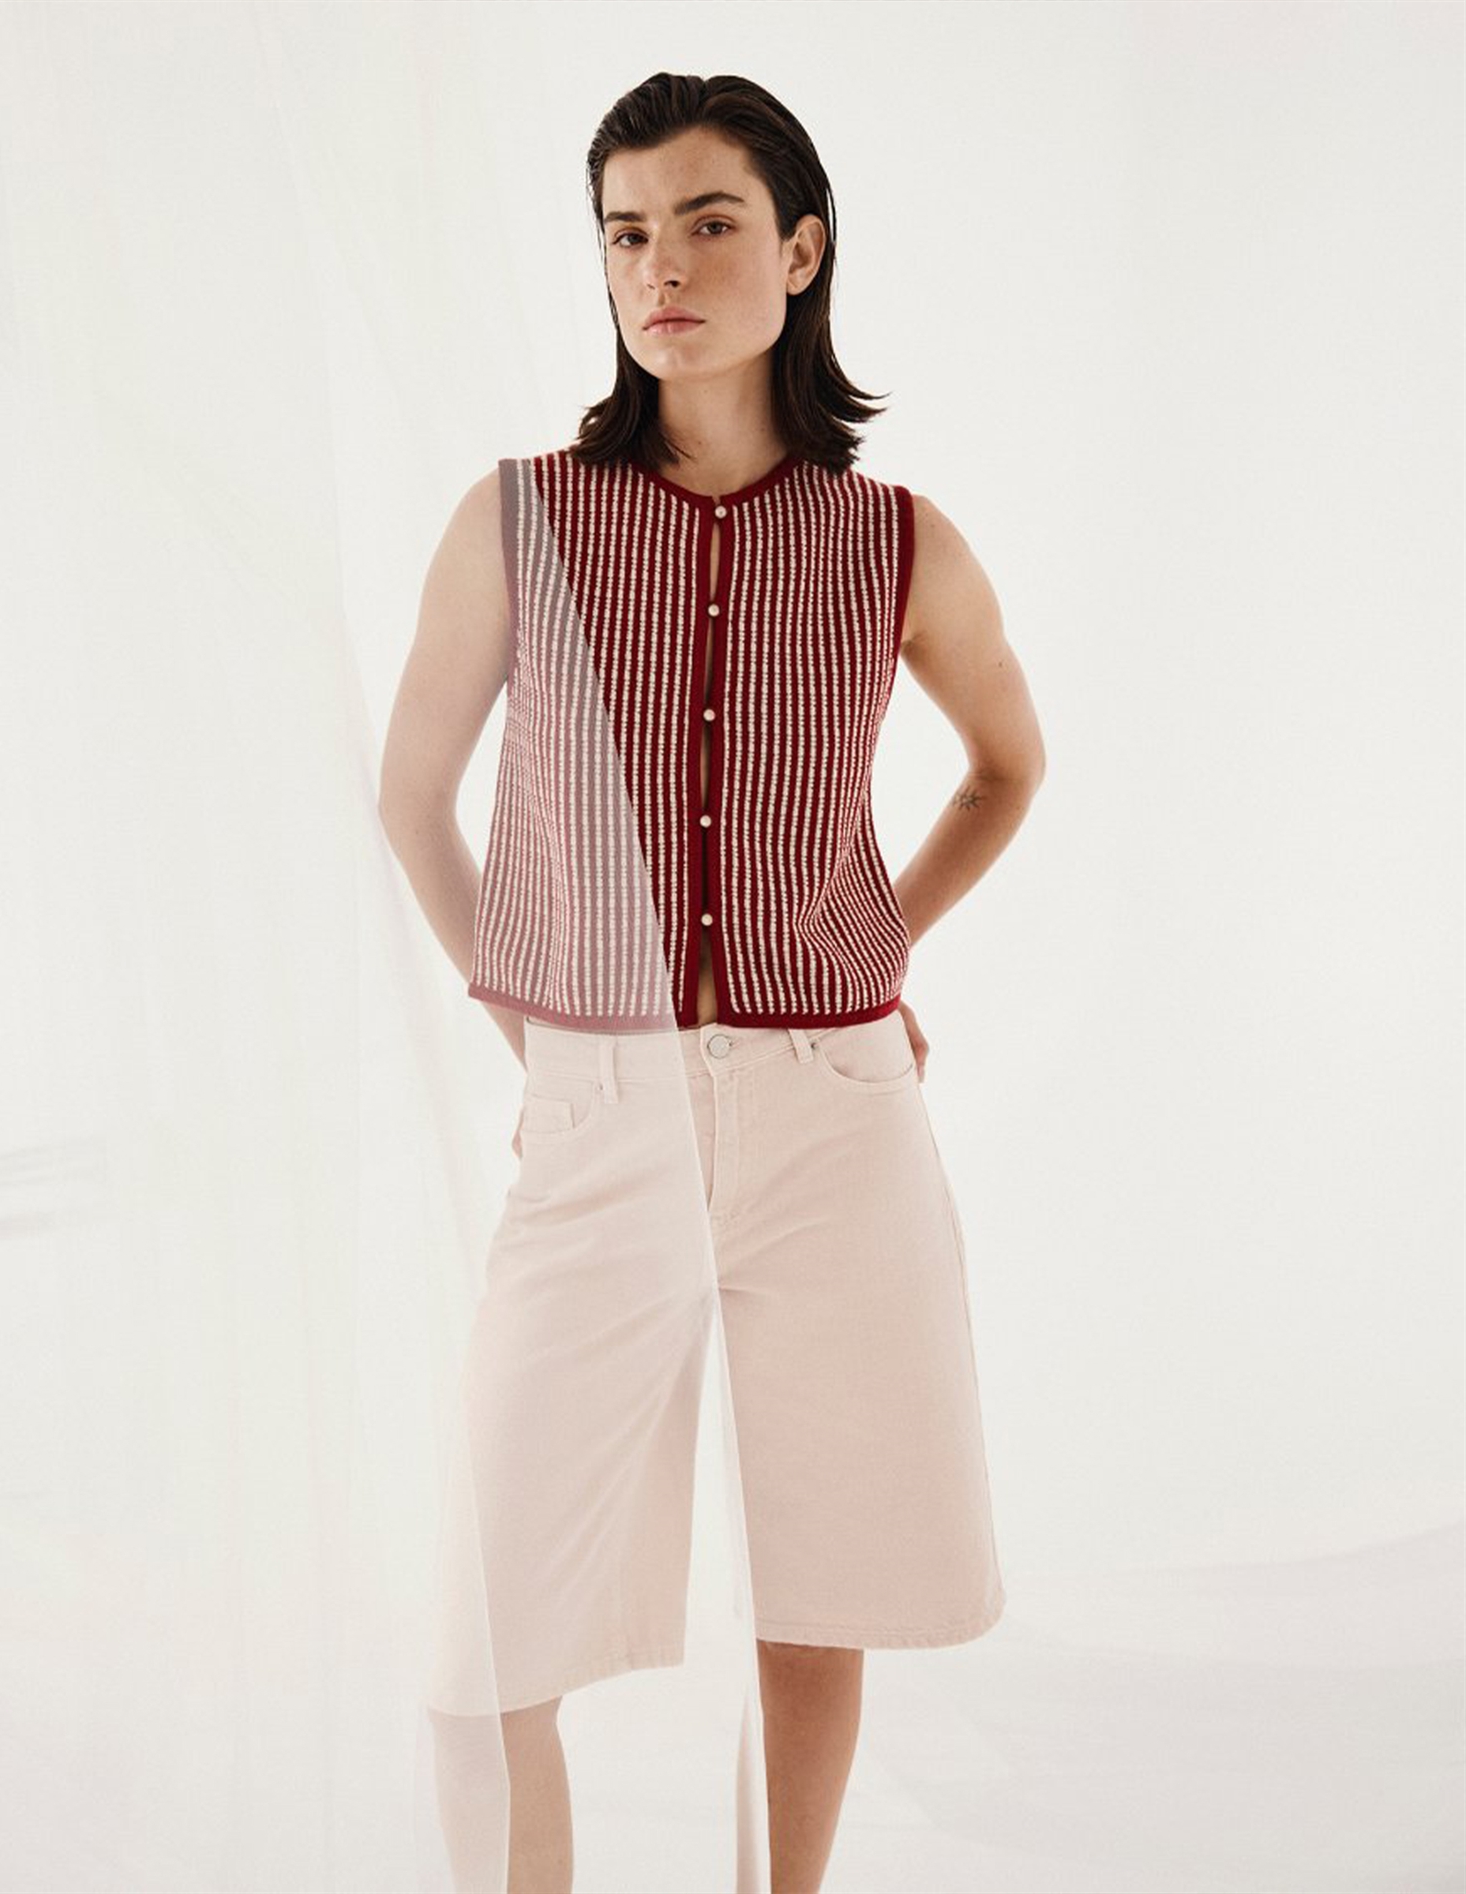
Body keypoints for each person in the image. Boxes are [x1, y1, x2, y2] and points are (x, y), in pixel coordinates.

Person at [379, 71, 1045, 1894]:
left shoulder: (900, 541)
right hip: (599, 1117)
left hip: (837, 1119)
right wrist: (533, 1019)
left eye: (707, 222)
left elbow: (1008, 767)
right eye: (625, 233)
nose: (658, 267)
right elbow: (413, 794)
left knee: (820, 1584)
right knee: (483, 1638)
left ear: (802, 251)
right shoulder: (517, 520)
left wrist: (874, 941)